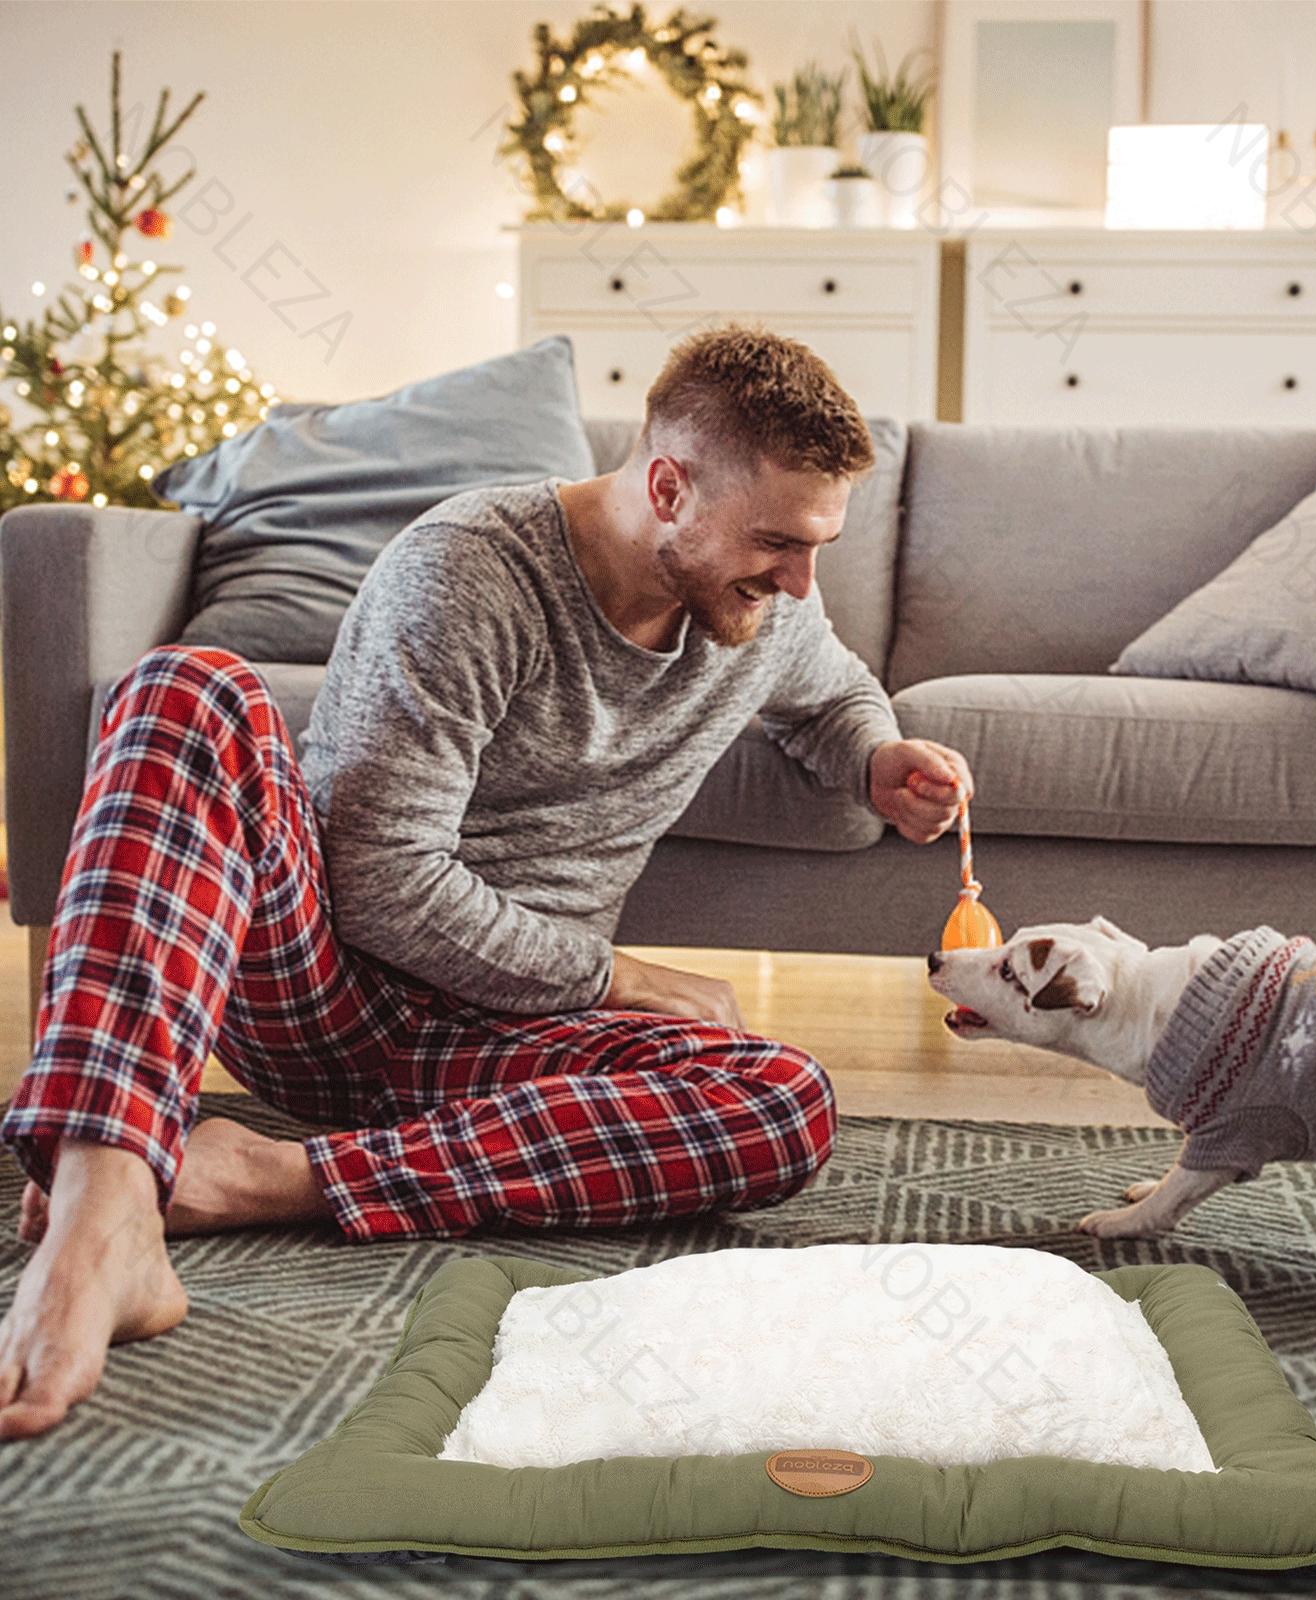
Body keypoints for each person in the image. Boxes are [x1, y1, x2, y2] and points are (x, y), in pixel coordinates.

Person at [0, 325, 975, 1439]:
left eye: (819, 547)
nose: (802, 582)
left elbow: (832, 683)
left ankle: (271, 1173)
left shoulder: (764, 608)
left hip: (508, 1050)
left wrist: (873, 752)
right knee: (186, 688)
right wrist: (615, 974)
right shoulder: (470, 568)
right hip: (331, 986)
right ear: (666, 486)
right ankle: (103, 1198)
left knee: (782, 1100)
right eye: (777, 544)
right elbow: (377, 880)